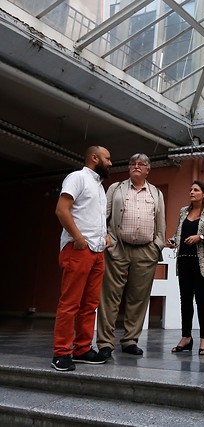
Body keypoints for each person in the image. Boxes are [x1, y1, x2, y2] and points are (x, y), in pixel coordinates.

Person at [96, 153, 166, 358]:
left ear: (148, 170)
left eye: (141, 164)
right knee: (110, 297)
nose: (136, 166)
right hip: (118, 248)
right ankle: (105, 343)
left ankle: (130, 340)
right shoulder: (116, 189)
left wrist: (157, 245)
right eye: (133, 163)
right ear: (129, 168)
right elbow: (103, 216)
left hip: (146, 251)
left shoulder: (156, 193)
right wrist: (107, 238)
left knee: (138, 298)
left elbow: (160, 222)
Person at [52, 146, 112, 371]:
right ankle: (61, 353)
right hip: (79, 250)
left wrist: (104, 234)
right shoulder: (77, 177)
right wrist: (78, 238)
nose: (110, 163)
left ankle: (82, 349)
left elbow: (92, 216)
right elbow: (62, 210)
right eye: (107, 158)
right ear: (94, 158)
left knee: (90, 304)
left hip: (97, 252)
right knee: (70, 304)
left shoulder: (99, 186)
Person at [168, 181, 204, 356]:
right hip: (184, 260)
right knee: (185, 300)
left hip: (203, 262)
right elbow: (179, 232)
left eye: (196, 190)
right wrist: (172, 241)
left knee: (201, 299)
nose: (191, 192)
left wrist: (200, 237)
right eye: (190, 189)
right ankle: (186, 338)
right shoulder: (184, 211)